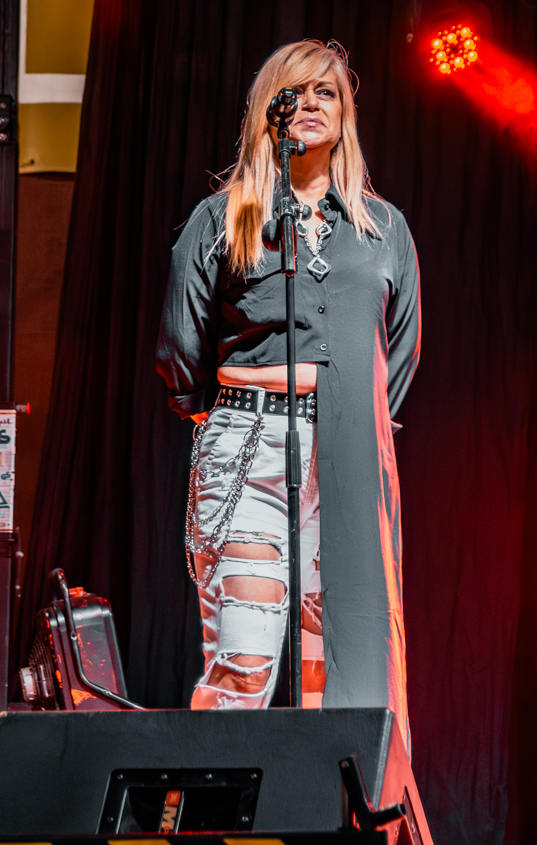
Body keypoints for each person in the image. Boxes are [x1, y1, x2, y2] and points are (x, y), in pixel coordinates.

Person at [155, 40, 420, 744]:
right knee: (242, 663)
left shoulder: (383, 227)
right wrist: (222, 417)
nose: (309, 106)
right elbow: (180, 349)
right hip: (248, 444)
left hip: (348, 455)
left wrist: (350, 427)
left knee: (330, 674)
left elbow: (398, 356)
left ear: (345, 114)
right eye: (292, 94)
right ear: (266, 113)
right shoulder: (222, 220)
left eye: (325, 93)